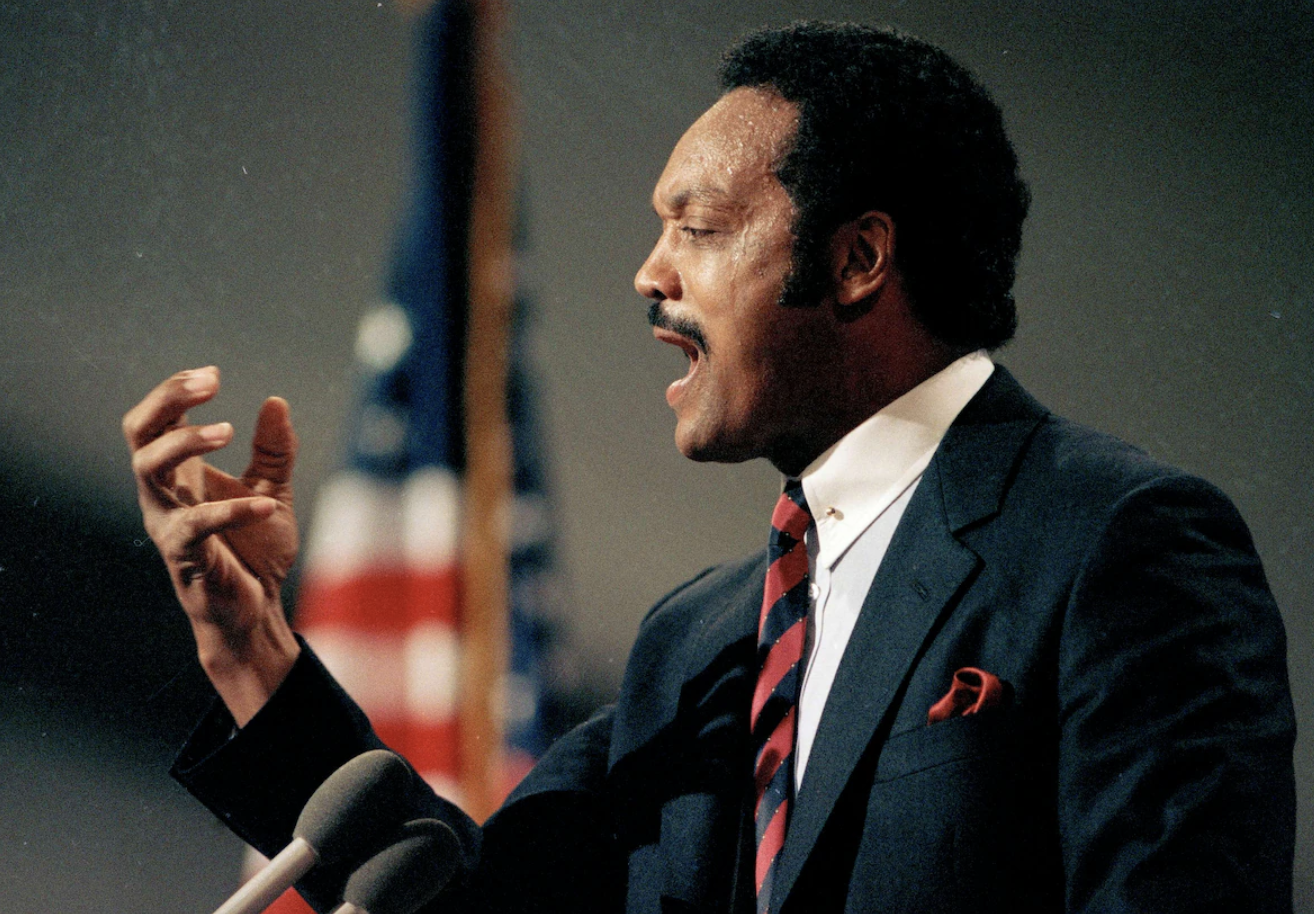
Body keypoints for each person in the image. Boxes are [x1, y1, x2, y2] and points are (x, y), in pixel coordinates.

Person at [123, 22, 1295, 914]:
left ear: (858, 259)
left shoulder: (1116, 541)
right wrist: (248, 641)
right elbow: (465, 901)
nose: (647, 273)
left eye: (696, 225)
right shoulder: (700, 643)